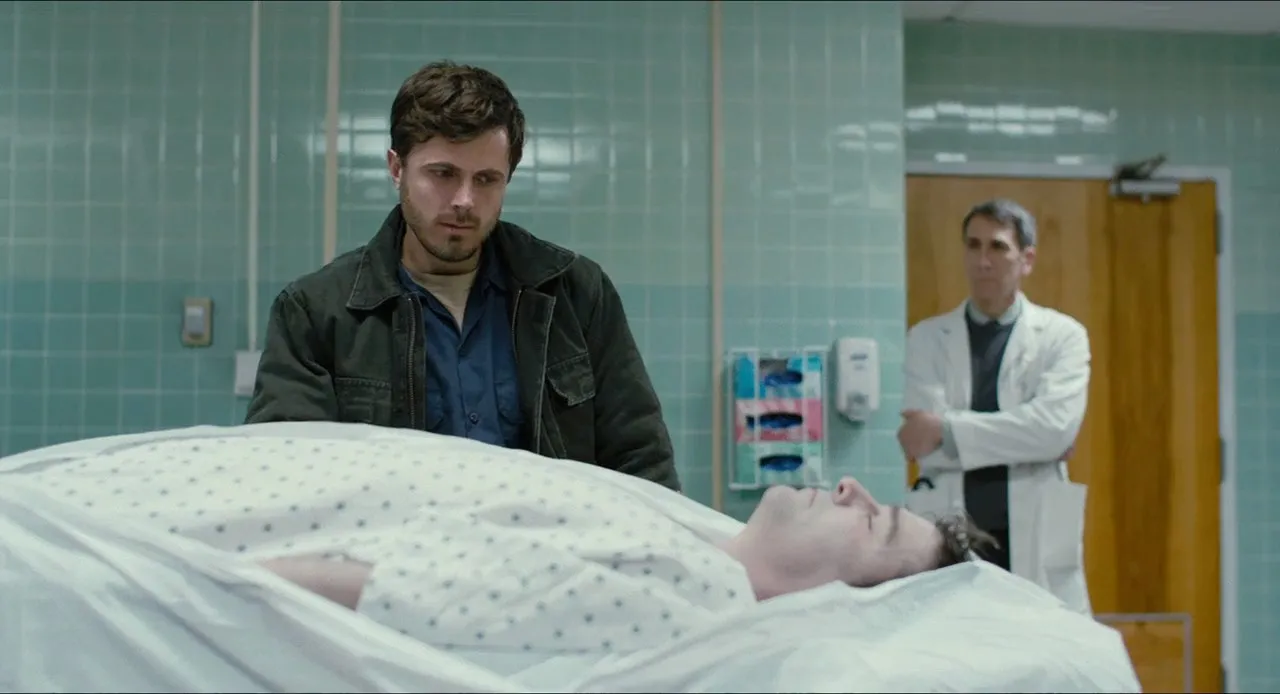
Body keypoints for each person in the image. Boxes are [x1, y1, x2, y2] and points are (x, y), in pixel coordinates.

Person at [21, 430, 990, 657]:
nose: (854, 487)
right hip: (241, 493)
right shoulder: (691, 542)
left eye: (875, 523)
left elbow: (407, 586)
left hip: (193, 535)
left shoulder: (691, 596)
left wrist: (158, 582)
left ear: (834, 607)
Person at [244, 60, 679, 491]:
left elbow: (641, 459)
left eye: (486, 179)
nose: (464, 200)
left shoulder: (575, 294)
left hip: (554, 536)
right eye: (443, 174)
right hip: (395, 537)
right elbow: (286, 481)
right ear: (396, 168)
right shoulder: (316, 312)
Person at [898, 198, 1091, 611]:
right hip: (953, 531)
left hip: (1036, 534)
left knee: (1044, 640)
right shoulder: (927, 339)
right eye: (973, 245)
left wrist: (946, 431)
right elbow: (921, 444)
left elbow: (1052, 430)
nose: (983, 261)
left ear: (1027, 259)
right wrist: (1028, 438)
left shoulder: (1063, 337)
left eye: (998, 247)